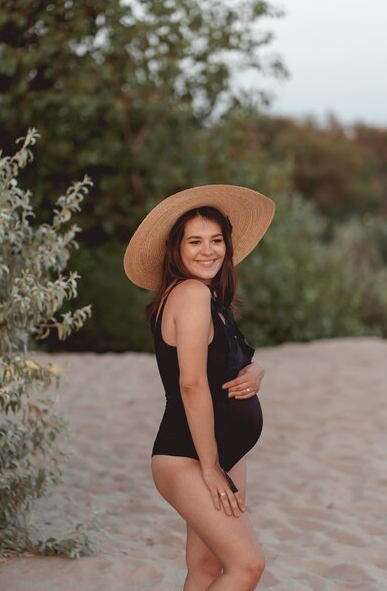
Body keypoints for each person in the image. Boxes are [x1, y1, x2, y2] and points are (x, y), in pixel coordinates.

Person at [124, 184, 275, 591]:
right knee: (247, 565)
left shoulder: (212, 299)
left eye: (216, 240)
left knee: (206, 568)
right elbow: (190, 385)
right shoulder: (191, 294)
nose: (208, 251)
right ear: (176, 249)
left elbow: (231, 361)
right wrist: (209, 466)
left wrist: (255, 372)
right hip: (190, 454)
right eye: (195, 241)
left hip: (224, 451)